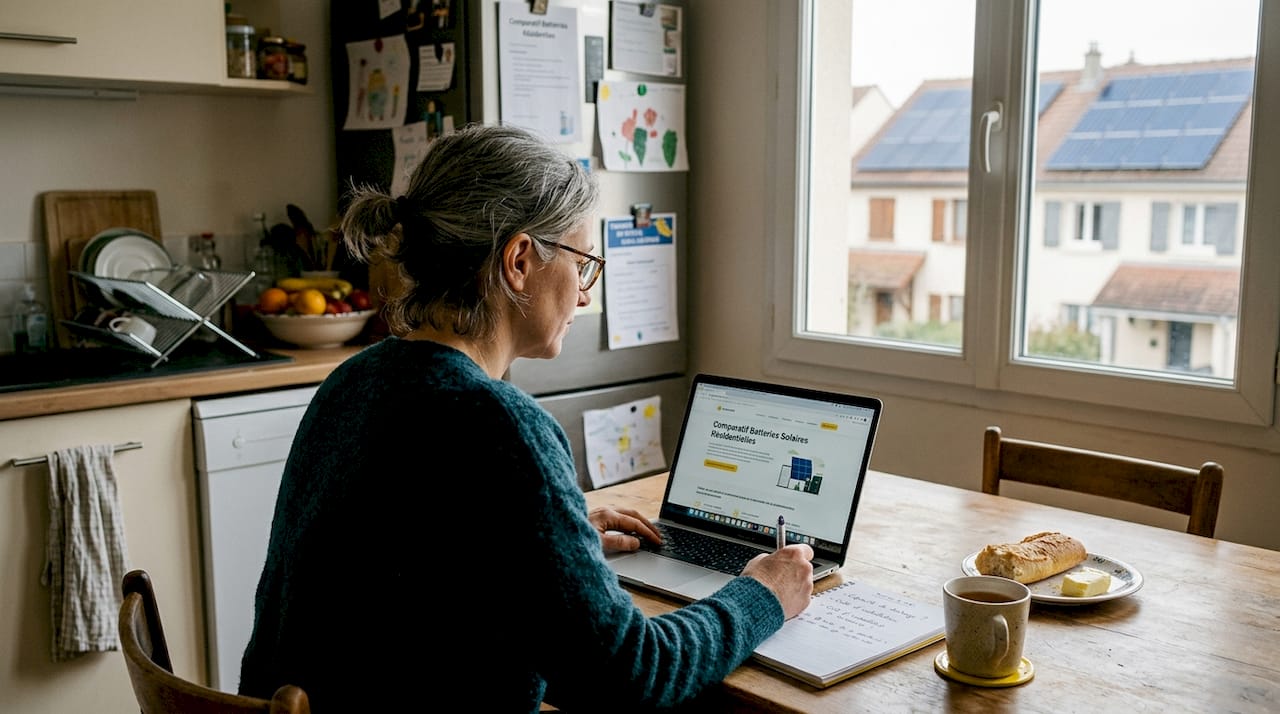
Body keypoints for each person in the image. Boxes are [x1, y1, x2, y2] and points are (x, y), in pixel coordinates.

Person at [237, 123, 816, 713]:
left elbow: (410, 565)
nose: (585, 295)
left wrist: (553, 540)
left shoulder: (354, 381)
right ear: (518, 261)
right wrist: (762, 592)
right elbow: (632, 676)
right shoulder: (499, 424)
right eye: (583, 264)